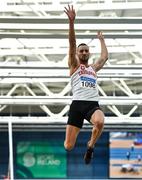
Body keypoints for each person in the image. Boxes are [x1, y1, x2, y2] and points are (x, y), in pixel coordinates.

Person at [64, 5, 108, 164]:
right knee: (68, 146)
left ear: (89, 53)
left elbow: (103, 58)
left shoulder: (93, 68)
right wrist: (71, 22)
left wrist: (102, 40)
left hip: (91, 104)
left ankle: (90, 145)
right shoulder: (74, 65)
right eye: (81, 51)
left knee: (100, 121)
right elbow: (72, 42)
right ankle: (72, 133)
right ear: (77, 54)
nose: (83, 52)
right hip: (77, 106)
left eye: (86, 51)